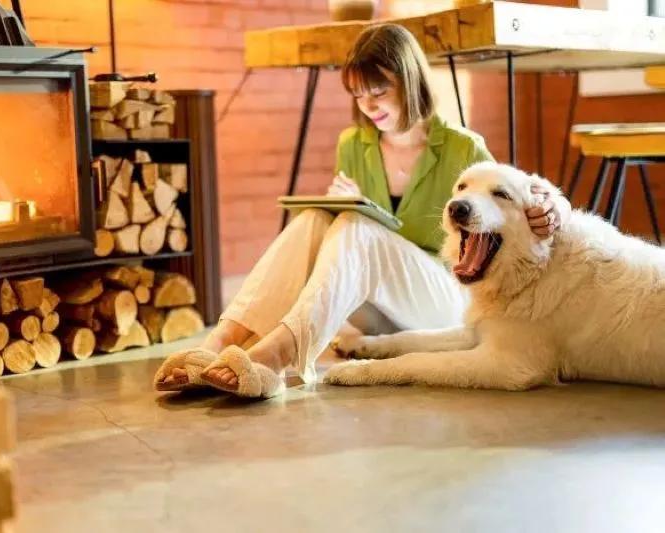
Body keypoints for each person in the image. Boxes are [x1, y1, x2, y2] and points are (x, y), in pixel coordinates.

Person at [154, 23, 570, 398]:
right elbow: (349, 249)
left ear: (408, 82)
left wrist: (554, 206)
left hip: (443, 295)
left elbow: (511, 206)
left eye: (379, 90)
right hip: (375, 308)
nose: (368, 104)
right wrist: (343, 204)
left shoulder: (464, 147)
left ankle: (275, 355)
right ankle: (219, 341)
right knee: (315, 219)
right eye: (358, 93)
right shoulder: (353, 144)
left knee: (355, 223)